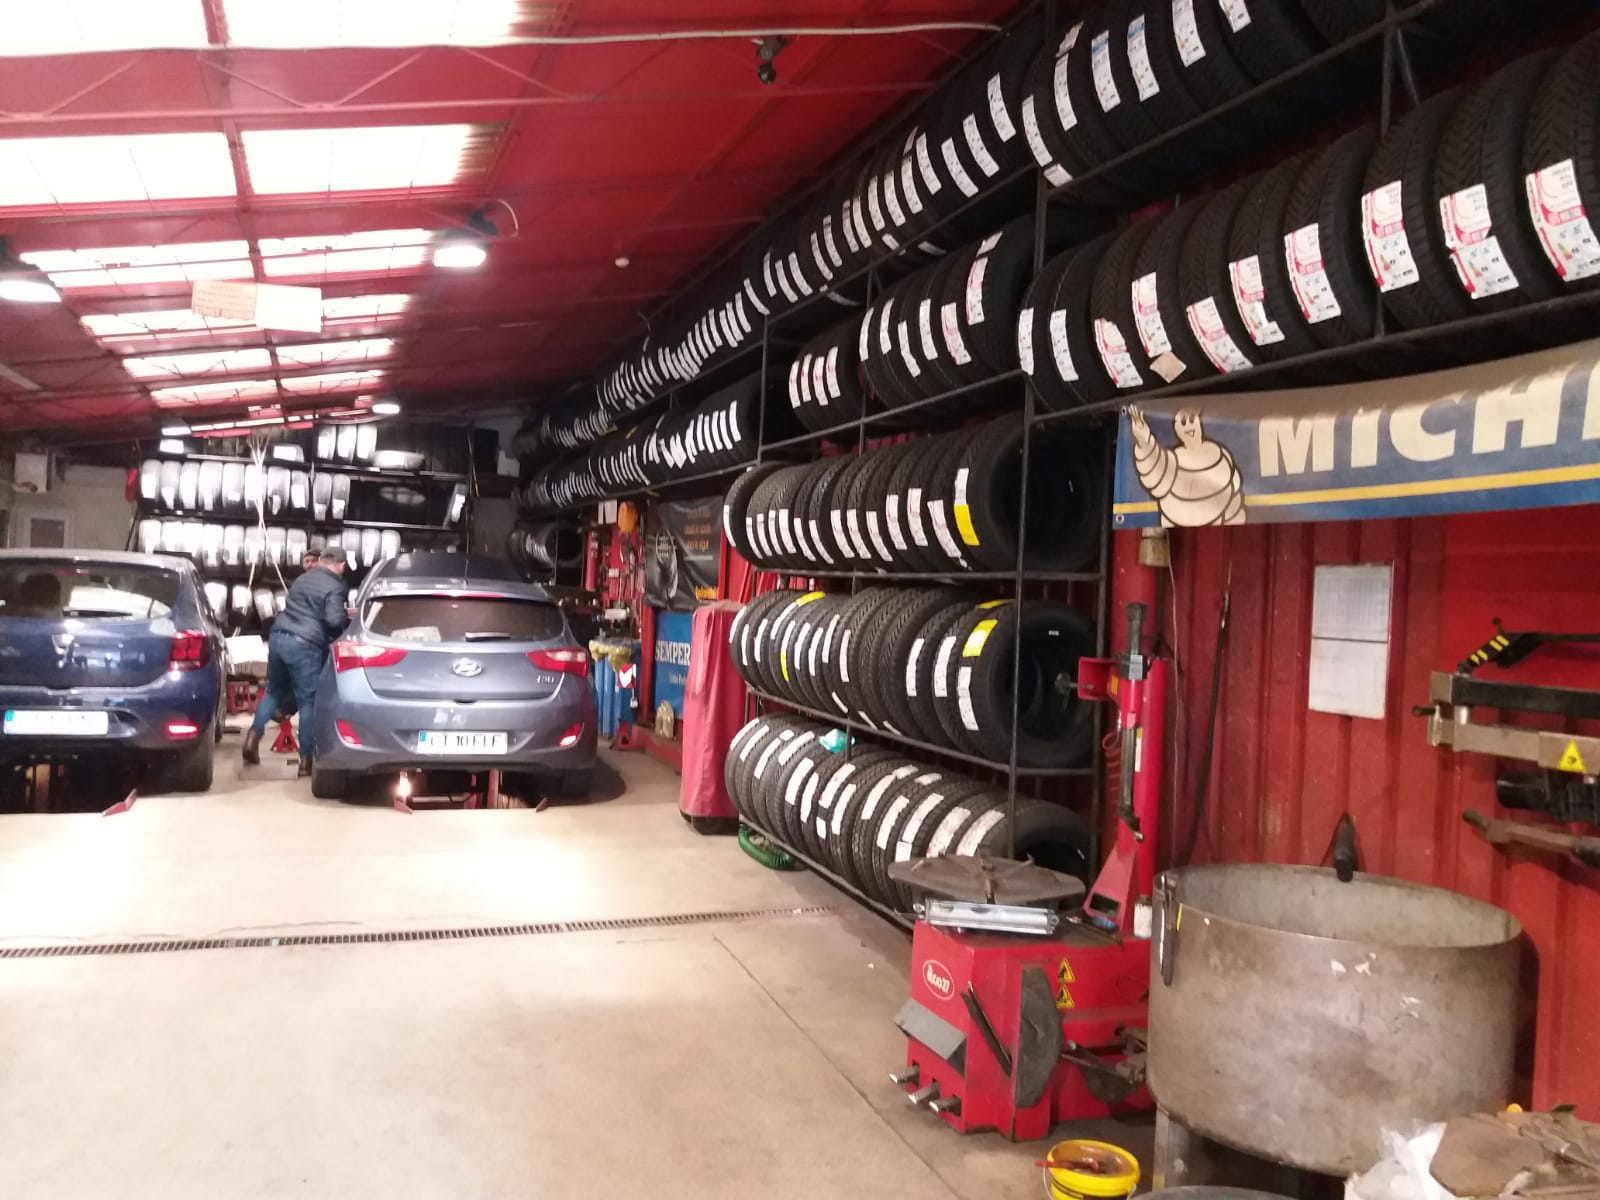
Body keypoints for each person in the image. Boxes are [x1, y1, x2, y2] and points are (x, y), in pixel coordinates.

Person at [242, 548, 349, 776]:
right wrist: (343, 624)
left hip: (279, 636)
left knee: (274, 692)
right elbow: (333, 621)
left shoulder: (302, 579)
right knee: (308, 702)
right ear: (341, 565)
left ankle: (253, 736)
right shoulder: (335, 585)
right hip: (305, 643)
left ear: (321, 561)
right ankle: (306, 760)